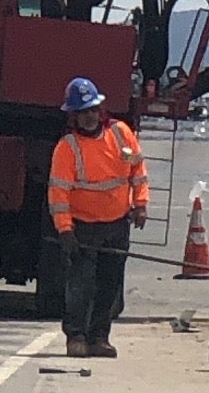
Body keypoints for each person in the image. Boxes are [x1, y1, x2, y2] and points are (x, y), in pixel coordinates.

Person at [47, 73, 147, 355]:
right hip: (83, 227)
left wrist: (140, 204)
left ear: (100, 110)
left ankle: (99, 337)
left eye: (92, 110)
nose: (89, 116)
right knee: (80, 285)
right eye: (83, 112)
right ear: (74, 116)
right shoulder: (67, 148)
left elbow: (137, 171)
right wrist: (65, 229)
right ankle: (76, 337)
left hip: (117, 224)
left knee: (110, 284)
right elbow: (58, 194)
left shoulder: (121, 134)